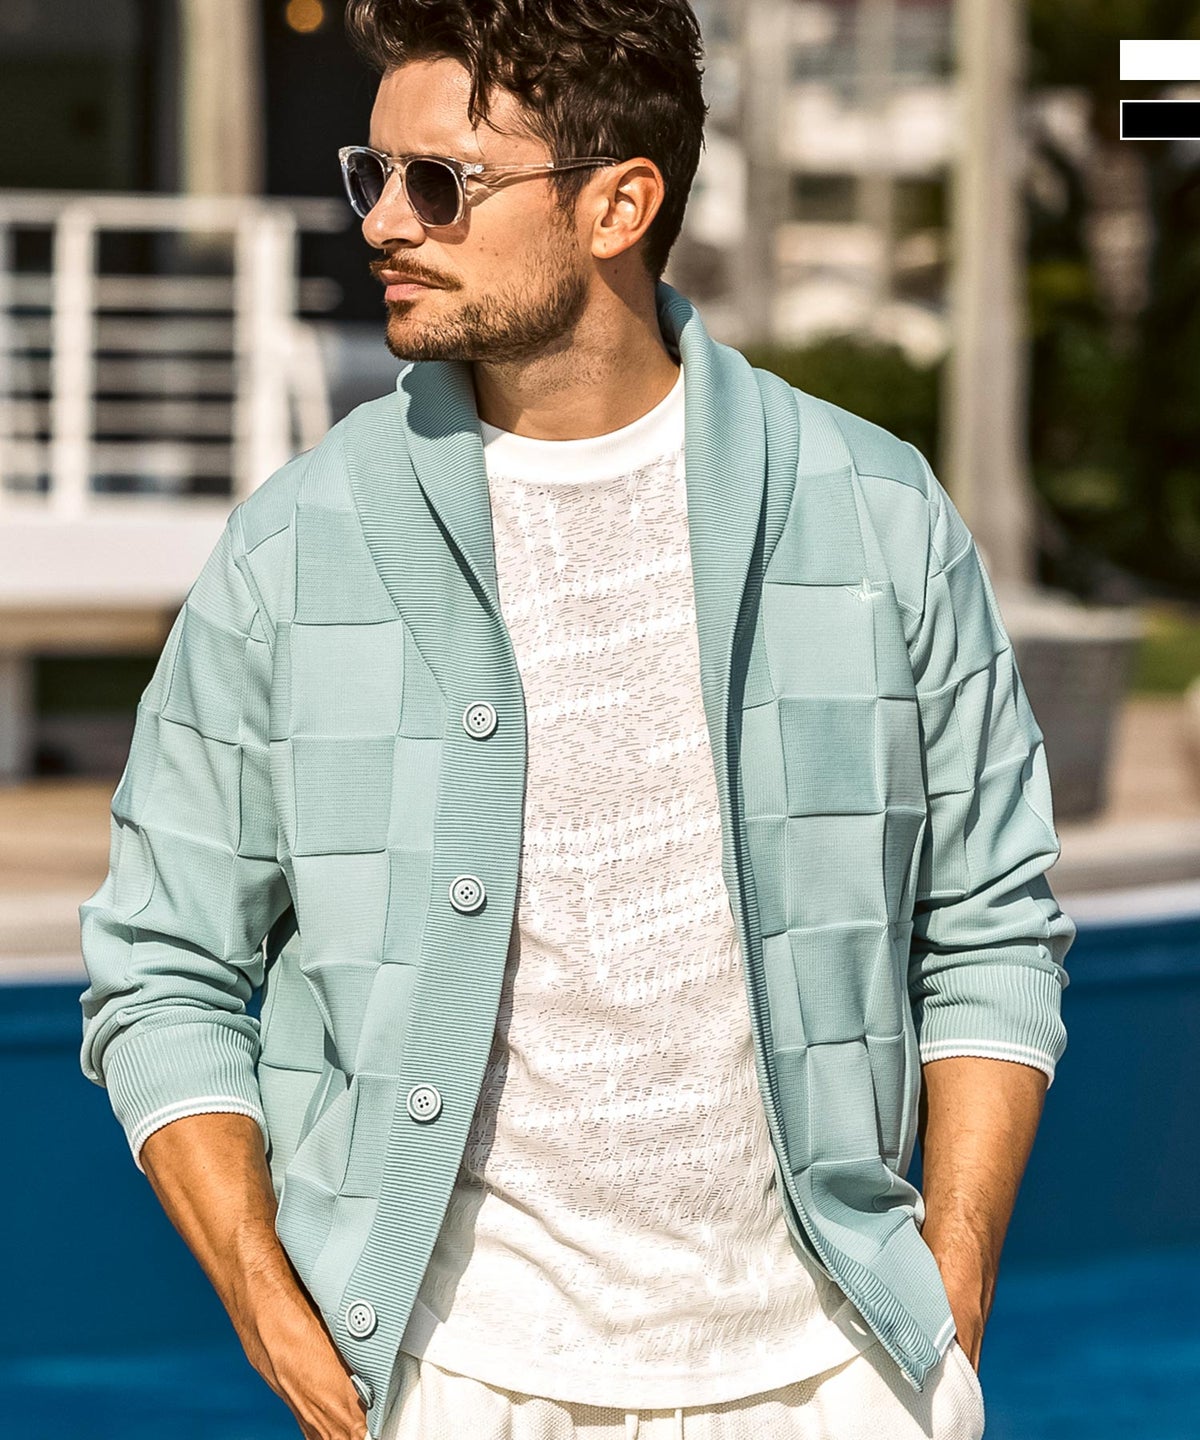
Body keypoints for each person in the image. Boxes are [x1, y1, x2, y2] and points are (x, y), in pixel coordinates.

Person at [77, 3, 1075, 1439]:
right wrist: (267, 1304)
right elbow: (163, 963)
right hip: (452, 1382)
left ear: (618, 205)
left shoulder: (875, 514)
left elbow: (988, 925)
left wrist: (953, 1285)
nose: (384, 223)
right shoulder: (295, 548)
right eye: (372, 175)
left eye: (441, 182)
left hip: (829, 1376)